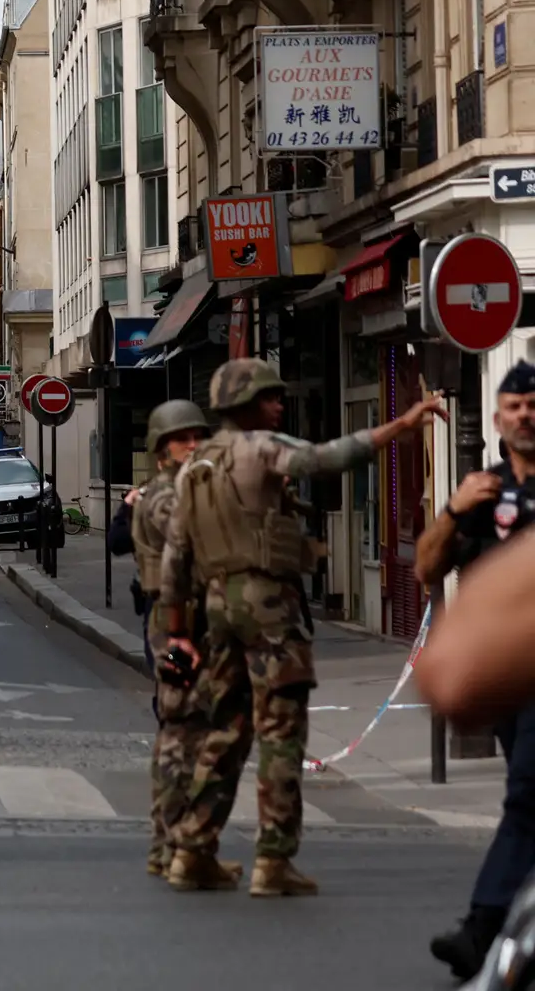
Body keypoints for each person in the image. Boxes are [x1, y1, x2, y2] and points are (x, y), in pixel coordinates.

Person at [160, 357, 444, 897]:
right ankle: (273, 860)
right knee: (281, 730)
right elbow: (324, 459)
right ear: (245, 405)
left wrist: (178, 631)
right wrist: (403, 425)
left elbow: (176, 558)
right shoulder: (261, 448)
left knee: (225, 730)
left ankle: (192, 850)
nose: (279, 404)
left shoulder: (194, 467)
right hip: (269, 607)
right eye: (270, 397)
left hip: (217, 610)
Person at [415, 363, 535, 978]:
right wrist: (454, 513)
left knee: (527, 795)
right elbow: (426, 571)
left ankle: (482, 926)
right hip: (505, 673)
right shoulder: (482, 490)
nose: (525, 414)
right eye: (514, 405)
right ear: (497, 418)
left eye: (533, 404)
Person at [124, 401, 244, 883]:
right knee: (184, 734)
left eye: (198, 437)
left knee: (188, 733)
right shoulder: (166, 497)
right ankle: (176, 846)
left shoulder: (185, 490)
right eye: (182, 440)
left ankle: (177, 846)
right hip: (178, 620)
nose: (193, 446)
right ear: (161, 449)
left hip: (193, 618)